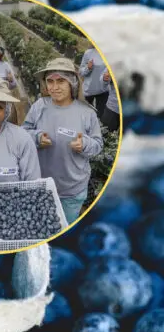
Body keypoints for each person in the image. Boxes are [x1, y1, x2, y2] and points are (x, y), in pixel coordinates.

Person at [22, 57, 103, 225]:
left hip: (72, 191)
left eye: (60, 81)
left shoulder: (87, 113)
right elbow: (23, 132)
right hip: (41, 185)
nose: (54, 87)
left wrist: (85, 144)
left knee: (63, 231)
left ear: (72, 83)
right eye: (50, 81)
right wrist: (37, 138)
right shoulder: (39, 106)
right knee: (41, 227)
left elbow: (98, 145)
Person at [79, 46, 109, 118]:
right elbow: (81, 72)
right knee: (82, 114)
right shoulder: (89, 53)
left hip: (103, 91)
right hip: (88, 90)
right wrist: (88, 68)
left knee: (99, 117)